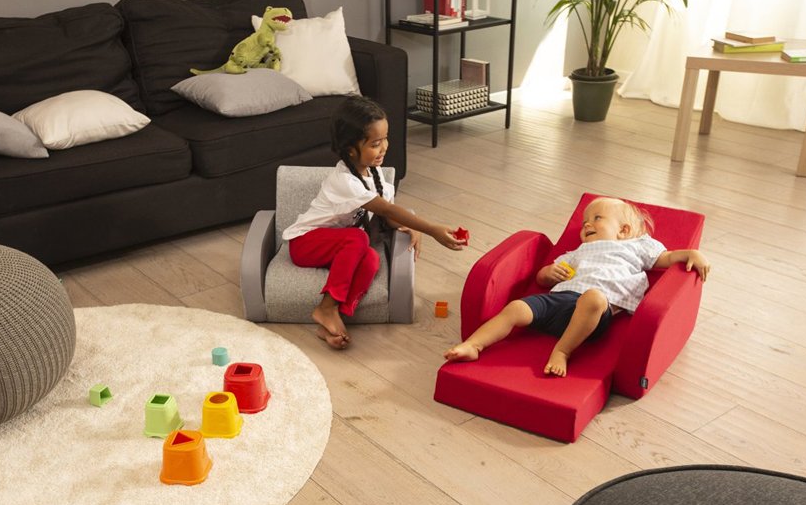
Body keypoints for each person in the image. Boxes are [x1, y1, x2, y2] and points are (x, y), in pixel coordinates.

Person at [444, 196, 710, 376]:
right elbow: (542, 278)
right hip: (560, 300)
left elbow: (665, 258)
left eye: (597, 218)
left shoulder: (636, 247)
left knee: (593, 298)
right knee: (516, 308)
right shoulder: (577, 251)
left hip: (594, 312)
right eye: (585, 222)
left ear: (624, 230)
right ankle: (474, 345)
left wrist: (691, 254)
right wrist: (548, 273)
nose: (587, 224)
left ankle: (562, 350)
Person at [283, 95, 465, 349]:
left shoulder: (374, 173)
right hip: (305, 243)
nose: (384, 148)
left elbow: (388, 216)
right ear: (351, 149)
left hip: (337, 247)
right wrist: (431, 228)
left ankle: (335, 320)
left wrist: (408, 227)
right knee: (359, 238)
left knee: (371, 259)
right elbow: (386, 208)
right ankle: (326, 307)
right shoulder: (344, 181)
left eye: (385, 139)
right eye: (375, 143)